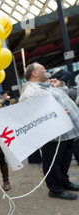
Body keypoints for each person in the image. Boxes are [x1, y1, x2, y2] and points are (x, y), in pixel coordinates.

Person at [19, 62, 79, 200]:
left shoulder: (46, 86)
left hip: (66, 130)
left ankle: (64, 182)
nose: (46, 71)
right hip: (53, 134)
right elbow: (33, 114)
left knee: (64, 160)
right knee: (53, 162)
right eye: (42, 69)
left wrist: (60, 86)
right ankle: (55, 189)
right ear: (34, 73)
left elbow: (63, 99)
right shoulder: (31, 92)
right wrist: (54, 113)